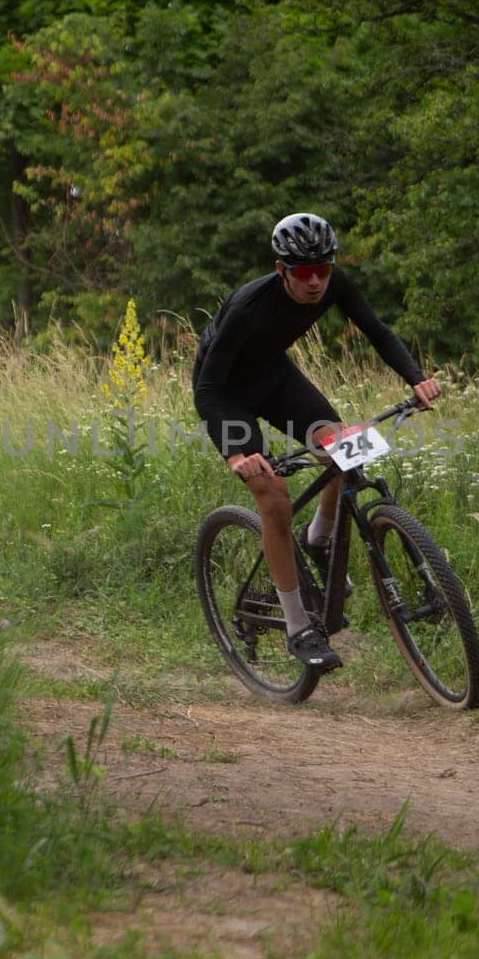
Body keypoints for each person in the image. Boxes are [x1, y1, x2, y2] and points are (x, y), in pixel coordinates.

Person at [192, 212, 441, 671]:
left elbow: (378, 331)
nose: (315, 283)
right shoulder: (249, 306)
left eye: (322, 271)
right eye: (303, 273)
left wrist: (416, 379)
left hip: (274, 378)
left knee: (350, 448)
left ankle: (320, 540)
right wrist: (237, 454)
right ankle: (297, 627)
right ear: (280, 269)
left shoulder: (333, 282)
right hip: (228, 395)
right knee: (274, 496)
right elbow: (208, 390)